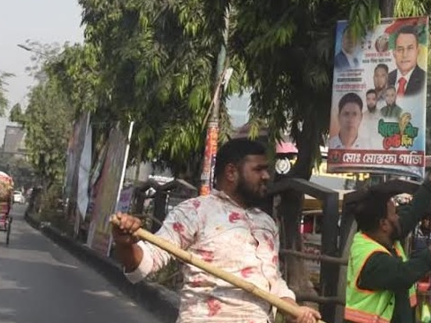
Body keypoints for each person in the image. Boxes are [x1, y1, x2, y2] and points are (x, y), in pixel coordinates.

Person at [110, 138, 319, 323]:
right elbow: (147, 261)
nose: (266, 176)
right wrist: (125, 243)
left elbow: (272, 280)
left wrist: (293, 309)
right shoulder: (195, 212)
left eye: (267, 169)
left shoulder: (266, 223)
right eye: (258, 169)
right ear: (231, 172)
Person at [345, 150, 431, 323]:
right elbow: (405, 274)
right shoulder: (371, 258)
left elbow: (413, 210)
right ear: (384, 224)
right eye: (394, 214)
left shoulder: (380, 235)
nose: (398, 217)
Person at [387, 26, 426, 97]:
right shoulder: (386, 80)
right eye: (400, 49)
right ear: (394, 53)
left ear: (418, 51)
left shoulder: (424, 79)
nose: (404, 55)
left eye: (410, 48)